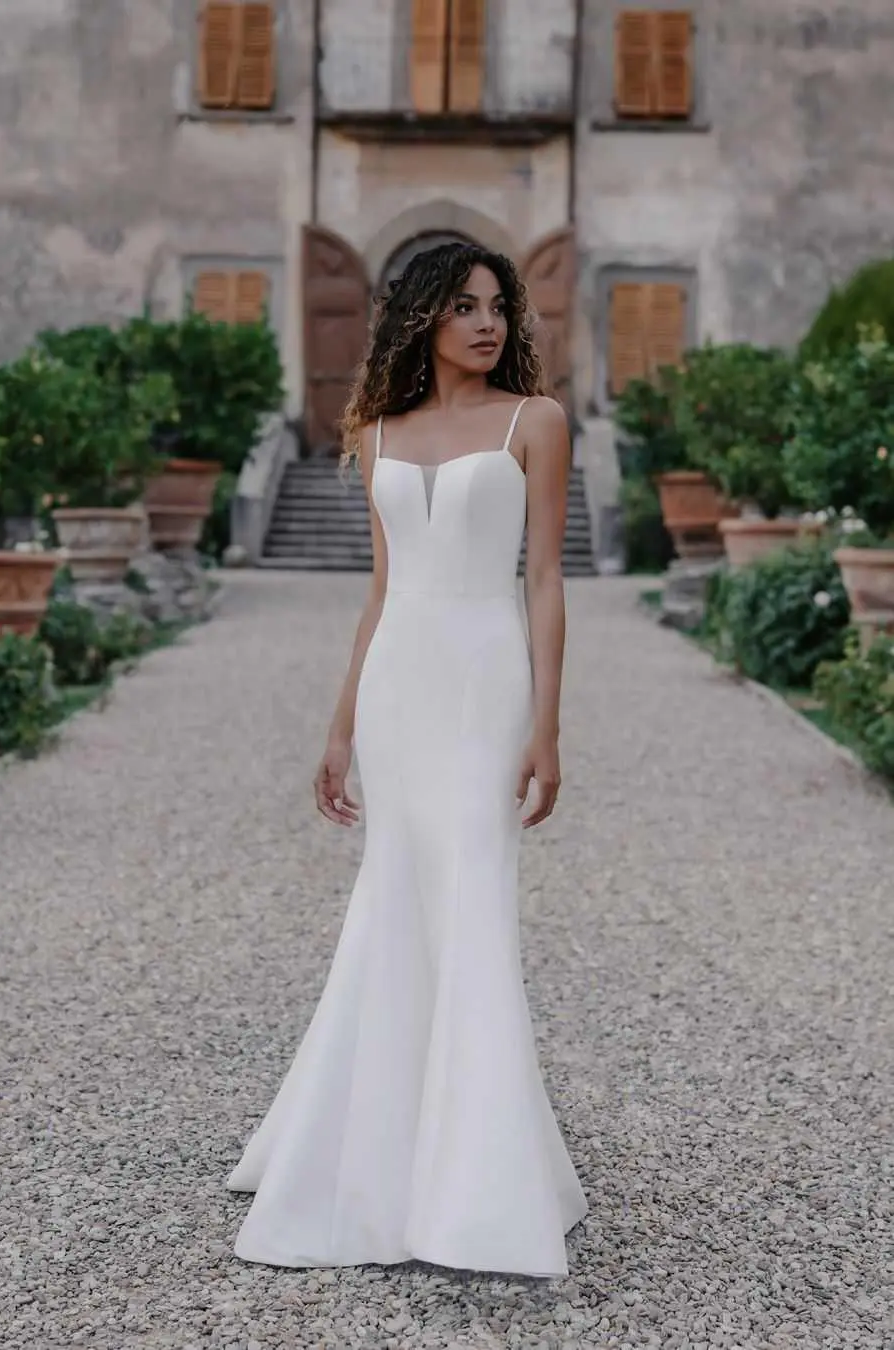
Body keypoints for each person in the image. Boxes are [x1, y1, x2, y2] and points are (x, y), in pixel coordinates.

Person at [226, 242, 588, 1278]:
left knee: (474, 899)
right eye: (463, 306)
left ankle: (479, 1183)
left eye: (497, 307)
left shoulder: (537, 422)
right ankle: (376, 1159)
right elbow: (380, 595)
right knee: (395, 909)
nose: (486, 323)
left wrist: (548, 726)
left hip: (484, 688)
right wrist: (340, 727)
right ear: (422, 318)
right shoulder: (377, 431)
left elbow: (547, 581)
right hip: (399, 693)